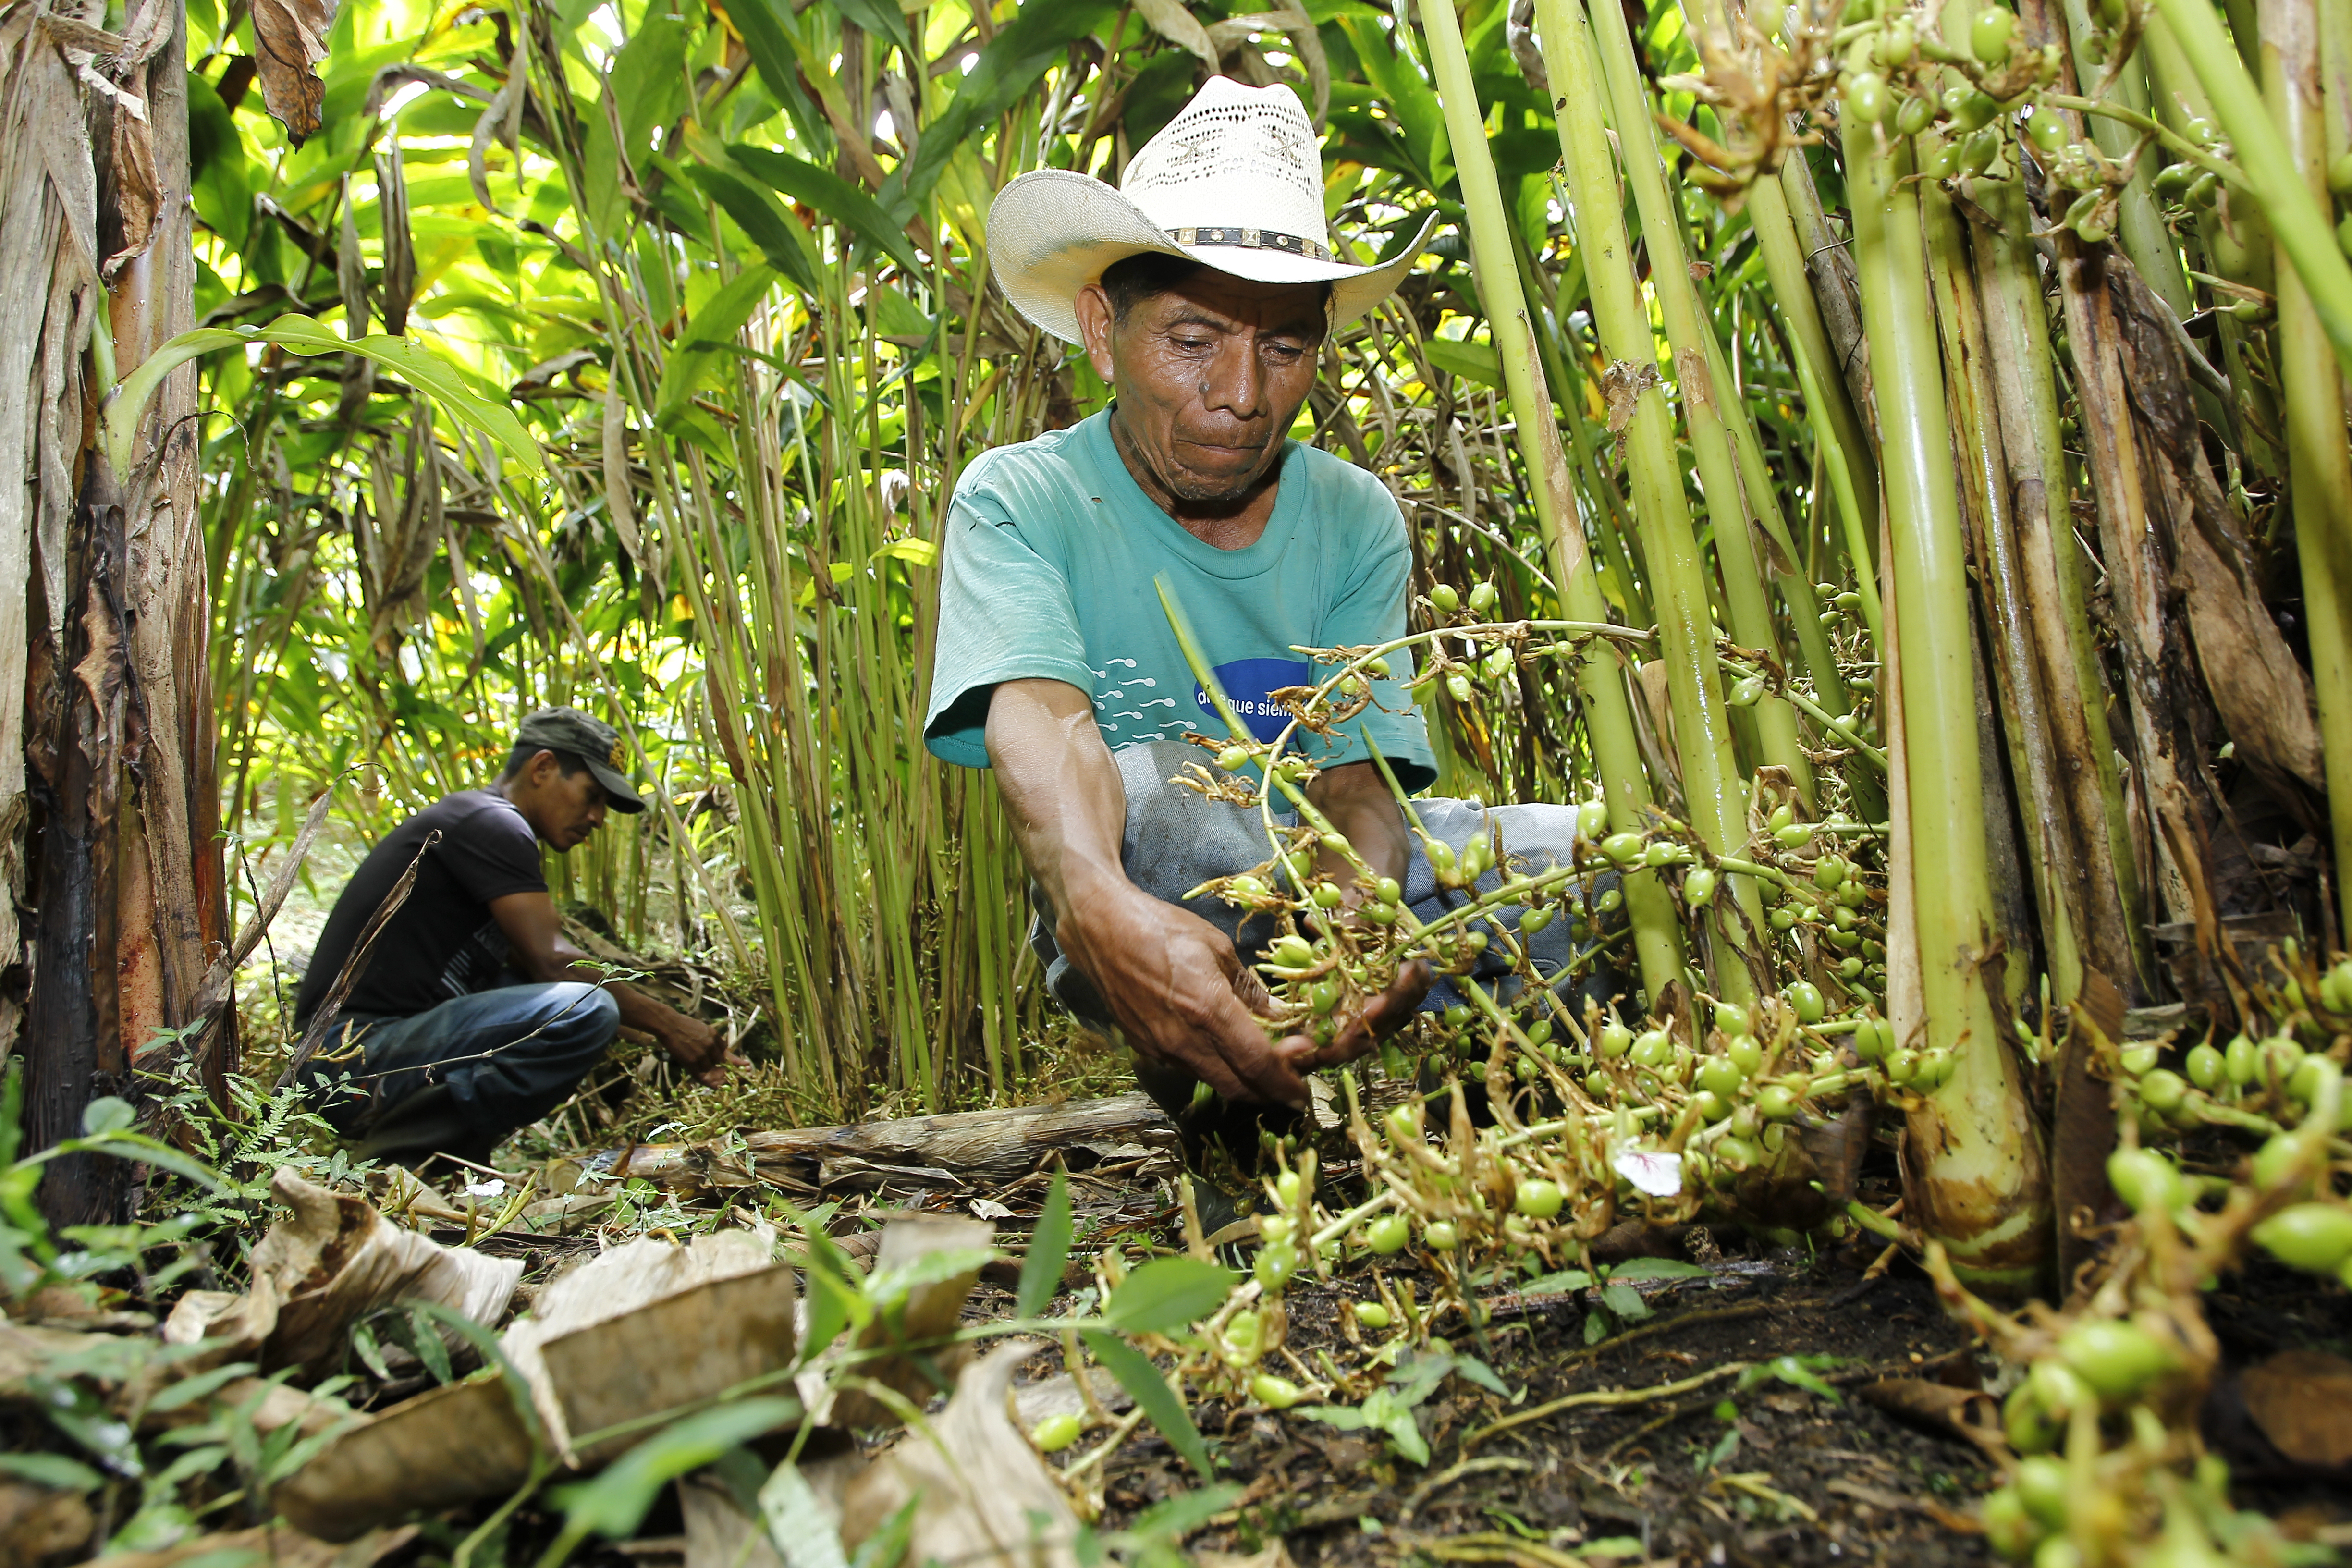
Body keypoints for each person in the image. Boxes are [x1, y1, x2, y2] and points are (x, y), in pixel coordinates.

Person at [925, 79, 1620, 1164]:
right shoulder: (1022, 496)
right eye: (1194, 340)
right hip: (1129, 887)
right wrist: (1091, 894)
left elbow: (1354, 776)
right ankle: (1243, 1152)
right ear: (1103, 331)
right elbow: (1049, 727)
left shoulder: (1351, 514)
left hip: (1324, 858)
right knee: (1161, 799)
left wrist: (1358, 909)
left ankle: (1531, 1158)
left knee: (1609, 860)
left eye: (1284, 348)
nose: (1242, 394)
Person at [295, 707, 735, 1170]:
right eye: (592, 795)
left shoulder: (481, 825)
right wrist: (671, 1024)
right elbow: (552, 962)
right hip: (346, 1056)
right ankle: (404, 1161)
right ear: (543, 767)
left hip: (361, 1054)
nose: (598, 817)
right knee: (587, 1008)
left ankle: (434, 1163)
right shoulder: (492, 822)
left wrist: (639, 1028)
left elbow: (527, 977)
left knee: (583, 1009)